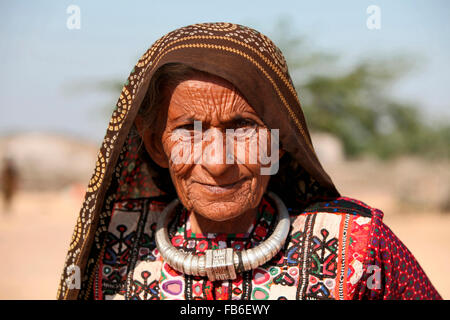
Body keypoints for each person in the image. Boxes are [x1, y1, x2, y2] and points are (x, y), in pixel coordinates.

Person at [57, 22, 441, 300]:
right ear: (157, 145)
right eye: (189, 130)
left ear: (279, 140)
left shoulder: (358, 246)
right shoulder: (115, 246)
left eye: (243, 127)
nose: (218, 162)